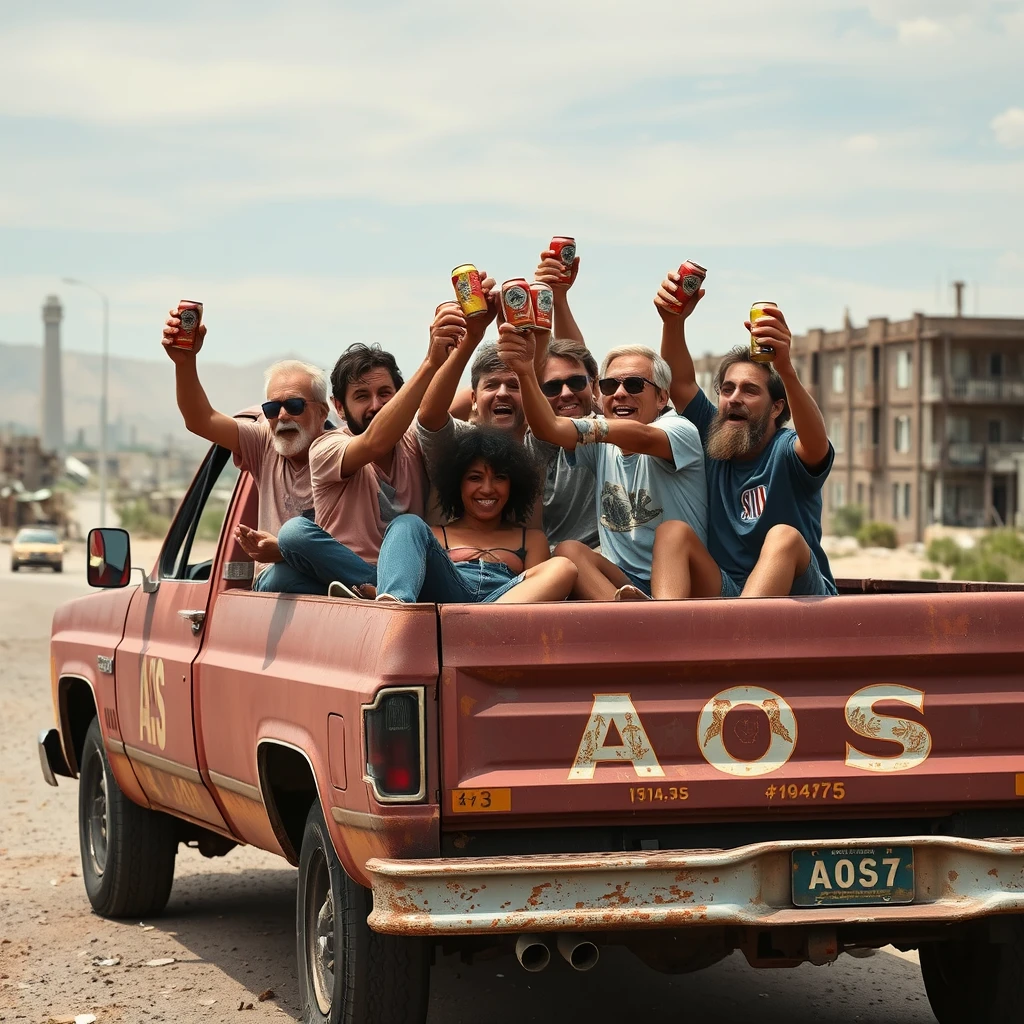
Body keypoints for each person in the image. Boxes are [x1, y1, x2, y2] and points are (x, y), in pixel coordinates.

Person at [654, 270, 835, 598]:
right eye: (727, 389)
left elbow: (815, 444)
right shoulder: (715, 437)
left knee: (784, 537)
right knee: (672, 533)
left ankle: (740, 637)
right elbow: (679, 384)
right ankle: (666, 638)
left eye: (750, 390)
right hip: (729, 591)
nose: (734, 397)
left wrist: (786, 369)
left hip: (802, 600)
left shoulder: (785, 451)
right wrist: (672, 321)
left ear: (777, 407)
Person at [496, 325, 707, 601]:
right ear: (600, 393)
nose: (619, 393)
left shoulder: (679, 430)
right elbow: (548, 430)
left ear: (662, 397)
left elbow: (641, 437)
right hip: (627, 584)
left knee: (672, 532)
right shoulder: (600, 442)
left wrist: (590, 429)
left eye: (634, 385)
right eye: (610, 385)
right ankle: (634, 623)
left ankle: (662, 623)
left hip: (694, 583)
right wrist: (524, 371)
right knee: (567, 551)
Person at [273, 306, 467, 594]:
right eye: (362, 396)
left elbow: (441, 414)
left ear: (400, 396)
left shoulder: (416, 441)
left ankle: (383, 590)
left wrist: (469, 338)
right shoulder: (327, 447)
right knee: (292, 535)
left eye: (385, 394)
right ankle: (377, 588)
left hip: (416, 577)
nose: (375, 405)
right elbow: (375, 441)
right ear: (339, 407)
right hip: (348, 576)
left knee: (408, 525)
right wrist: (430, 362)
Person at [419, 249, 599, 548]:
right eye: (492, 385)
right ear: (473, 398)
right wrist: (472, 337)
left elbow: (569, 367)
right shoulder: (458, 442)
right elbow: (429, 417)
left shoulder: (538, 444)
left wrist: (550, 308)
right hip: (450, 571)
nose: (503, 393)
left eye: (513, 386)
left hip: (517, 573)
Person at [161, 307, 329, 591]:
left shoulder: (343, 454)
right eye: (273, 408)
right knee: (283, 575)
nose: (283, 416)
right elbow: (200, 419)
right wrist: (184, 362)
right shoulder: (264, 445)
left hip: (331, 582)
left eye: (295, 405)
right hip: (276, 583)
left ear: (323, 412)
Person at [373, 427, 577, 604]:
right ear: (457, 484)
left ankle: (479, 621)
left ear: (513, 485)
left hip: (504, 608)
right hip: (447, 601)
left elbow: (540, 594)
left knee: (563, 567)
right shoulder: (432, 535)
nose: (487, 489)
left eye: (499, 477)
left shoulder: (532, 539)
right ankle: (394, 606)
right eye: (475, 478)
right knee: (407, 523)